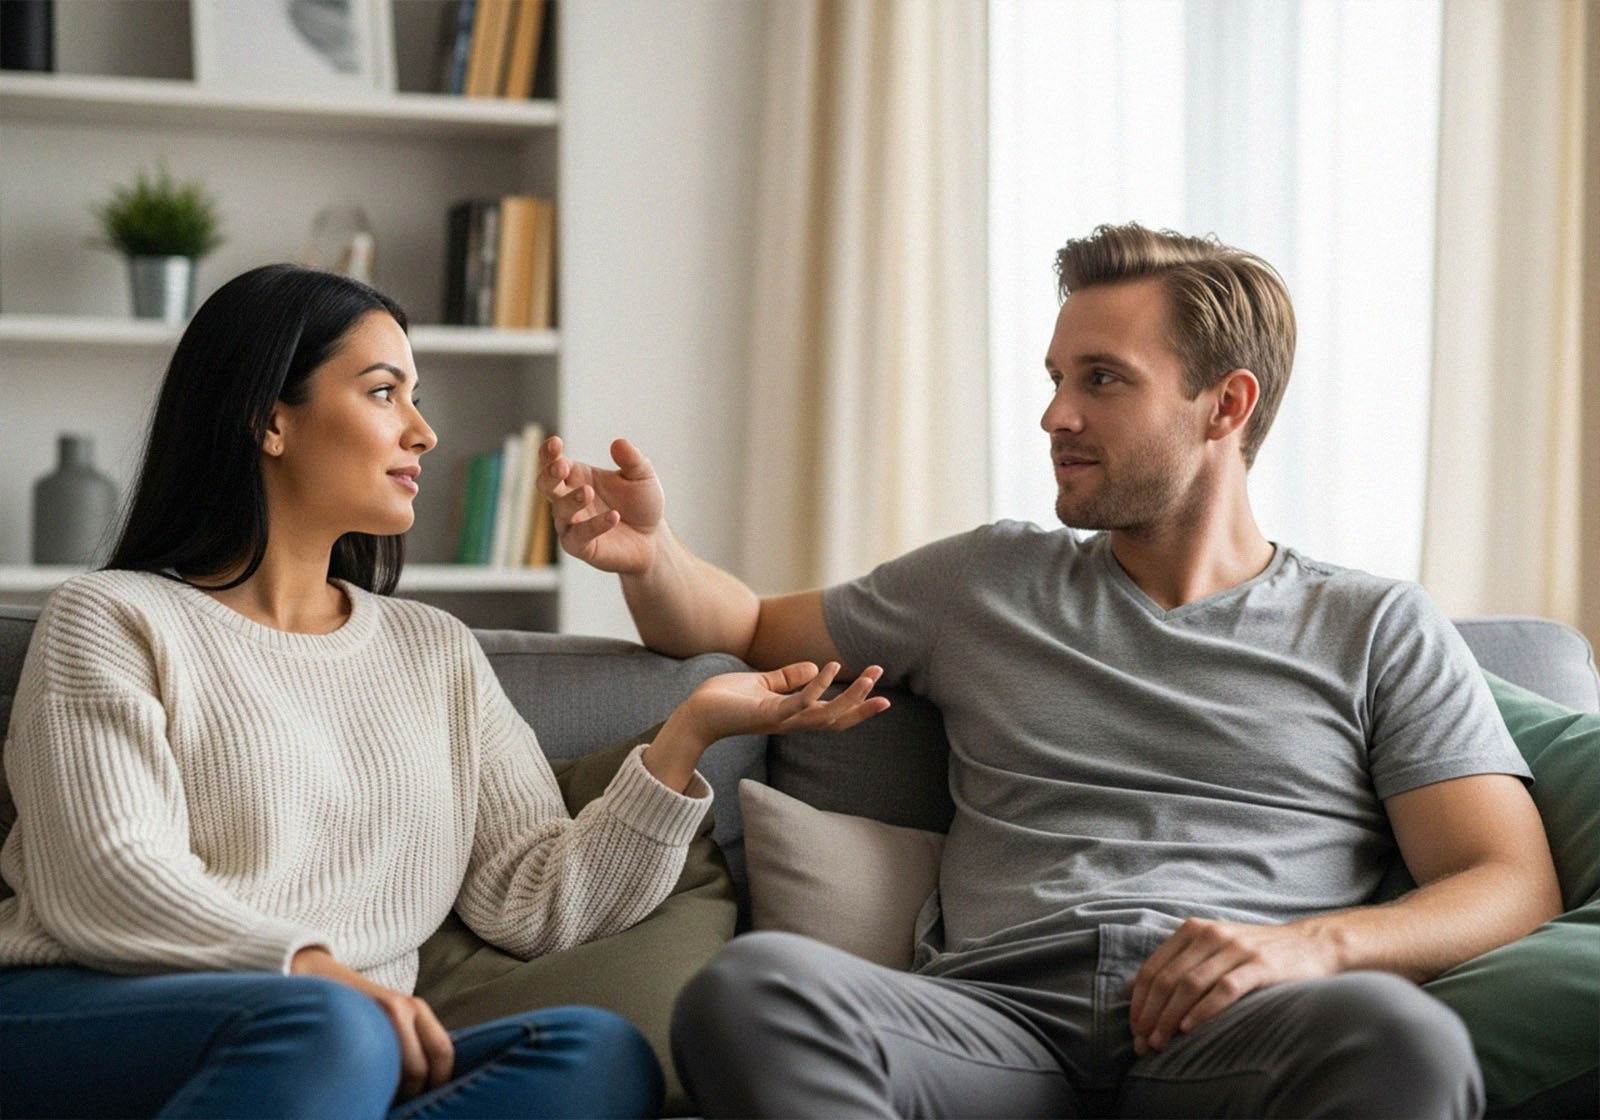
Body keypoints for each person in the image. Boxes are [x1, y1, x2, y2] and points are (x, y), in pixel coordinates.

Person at [534, 223, 1564, 1119]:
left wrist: (1313, 950)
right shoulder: (985, 580)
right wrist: (651, 556)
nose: (1055, 415)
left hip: (1241, 1029)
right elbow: (750, 622)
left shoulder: (1374, 625)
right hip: (993, 1023)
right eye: (1055, 378)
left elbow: (1509, 881)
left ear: (1225, 405)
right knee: (752, 992)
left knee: (1405, 1039)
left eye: (1101, 379)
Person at [0, 264, 887, 1120]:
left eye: (414, 397)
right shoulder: (112, 619)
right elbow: (107, 877)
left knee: (598, 1054)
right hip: (100, 1008)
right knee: (330, 1030)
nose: (422, 432)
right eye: (385, 393)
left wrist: (689, 733)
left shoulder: (433, 651)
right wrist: (313, 971)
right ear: (270, 420)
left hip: (347, 1047)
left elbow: (533, 901)